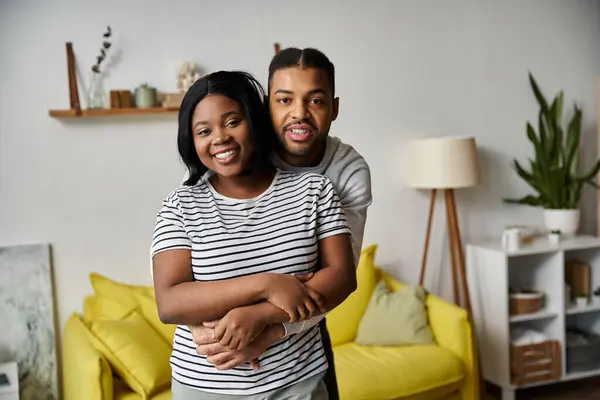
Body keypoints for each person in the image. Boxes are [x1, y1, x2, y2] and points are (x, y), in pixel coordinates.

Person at [151, 70, 357, 399]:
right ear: (192, 142)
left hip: (299, 383)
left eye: (232, 122)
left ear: (254, 120)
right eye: (204, 131)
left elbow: (342, 277)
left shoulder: (313, 190)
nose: (219, 138)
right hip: (206, 387)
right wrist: (267, 283)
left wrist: (258, 317)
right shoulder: (180, 205)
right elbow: (170, 302)